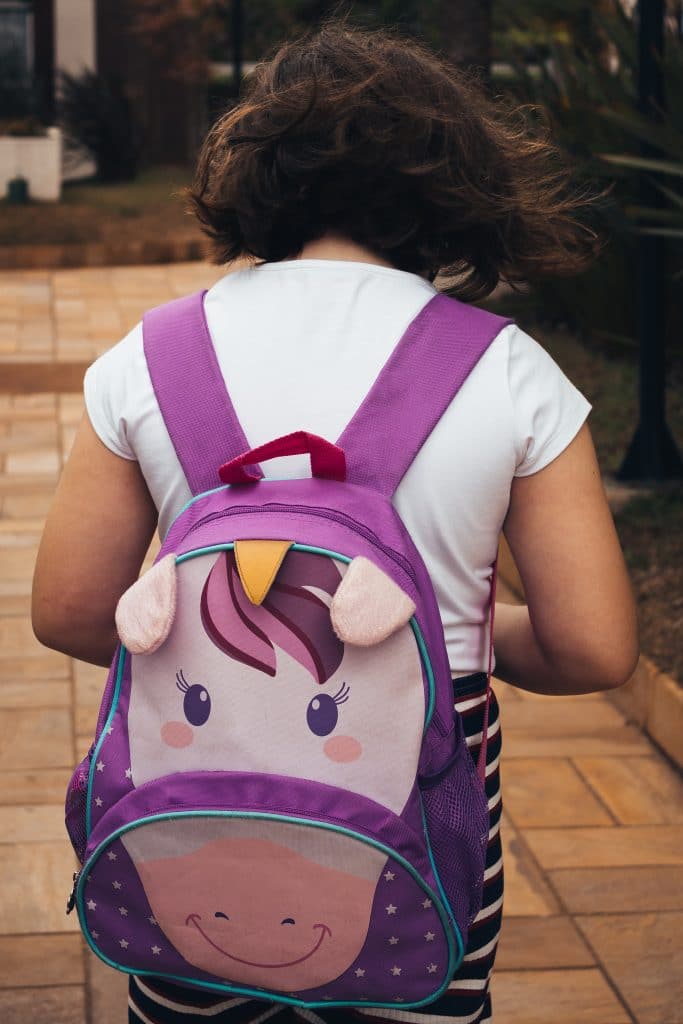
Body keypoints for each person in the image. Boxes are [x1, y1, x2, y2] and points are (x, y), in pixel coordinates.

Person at [32, 20, 638, 1024]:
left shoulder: (150, 355)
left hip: (197, 791)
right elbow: (592, 645)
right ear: (449, 190)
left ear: (256, 179)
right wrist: (439, 645)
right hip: (412, 812)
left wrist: (221, 650)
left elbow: (67, 610)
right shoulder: (506, 370)